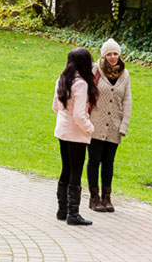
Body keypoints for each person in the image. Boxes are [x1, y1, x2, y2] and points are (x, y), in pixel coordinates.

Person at [52, 47, 97, 226]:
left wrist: (65, 115)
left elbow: (55, 105)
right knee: (75, 171)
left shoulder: (63, 78)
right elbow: (79, 115)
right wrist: (89, 128)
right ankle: (73, 213)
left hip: (62, 130)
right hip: (75, 132)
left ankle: (62, 210)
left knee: (66, 168)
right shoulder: (81, 83)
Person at [86, 39, 132, 213]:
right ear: (103, 55)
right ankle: (94, 197)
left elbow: (127, 101)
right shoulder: (94, 70)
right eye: (109, 54)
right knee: (94, 160)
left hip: (114, 125)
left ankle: (107, 197)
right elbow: (87, 95)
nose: (113, 57)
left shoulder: (125, 74)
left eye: (116, 54)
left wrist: (124, 125)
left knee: (108, 162)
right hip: (95, 124)